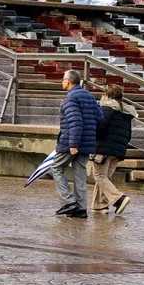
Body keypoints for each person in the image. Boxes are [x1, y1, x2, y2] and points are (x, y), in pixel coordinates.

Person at [54, 69, 99, 219]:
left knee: (56, 167)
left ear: (69, 81)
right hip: (87, 142)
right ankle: (80, 208)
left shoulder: (70, 98)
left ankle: (68, 202)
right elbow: (99, 118)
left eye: (63, 79)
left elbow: (75, 121)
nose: (61, 82)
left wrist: (73, 144)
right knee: (80, 173)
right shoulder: (90, 97)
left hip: (71, 141)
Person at [89, 89, 134, 217]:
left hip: (104, 148)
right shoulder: (125, 112)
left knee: (99, 175)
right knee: (105, 177)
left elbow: (100, 128)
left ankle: (119, 199)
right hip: (118, 150)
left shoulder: (106, 109)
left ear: (107, 95)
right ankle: (99, 205)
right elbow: (128, 135)